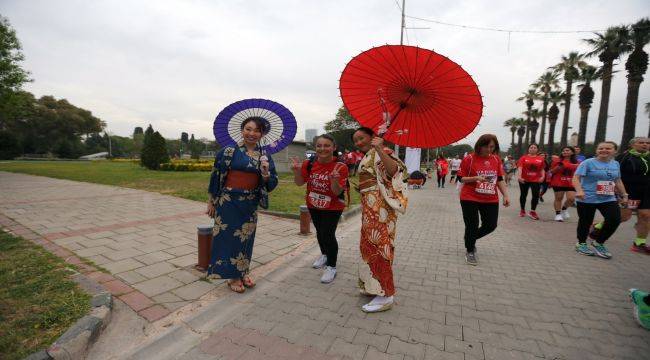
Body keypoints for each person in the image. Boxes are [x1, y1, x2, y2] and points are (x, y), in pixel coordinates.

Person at [206, 117, 278, 292]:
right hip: (227, 201)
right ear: (242, 130)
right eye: (248, 129)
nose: (252, 134)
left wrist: (266, 173)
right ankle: (232, 277)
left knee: (246, 238)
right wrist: (211, 201)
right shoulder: (228, 151)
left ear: (262, 134)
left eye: (257, 130)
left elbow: (272, 183)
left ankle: (243, 271)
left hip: (249, 203)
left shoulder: (265, 156)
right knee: (227, 239)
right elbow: (216, 176)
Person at [352, 127, 408, 313]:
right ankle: (372, 286)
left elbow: (394, 172)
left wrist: (380, 149)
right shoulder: (367, 155)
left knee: (381, 246)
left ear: (372, 137)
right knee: (369, 247)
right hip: (369, 209)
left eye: (362, 138)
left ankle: (386, 295)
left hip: (381, 209)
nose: (358, 142)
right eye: (356, 140)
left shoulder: (383, 152)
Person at [291, 134, 349, 283]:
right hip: (313, 204)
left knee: (328, 234)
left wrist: (334, 180)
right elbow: (299, 183)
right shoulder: (309, 163)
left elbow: (337, 192)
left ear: (334, 148)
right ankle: (324, 255)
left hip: (333, 206)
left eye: (327, 145)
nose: (322, 149)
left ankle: (331, 266)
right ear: (315, 147)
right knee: (320, 232)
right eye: (319, 145)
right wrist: (296, 171)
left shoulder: (340, 167)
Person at [457, 134, 510, 265]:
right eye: (486, 146)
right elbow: (461, 178)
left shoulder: (496, 160)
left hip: (490, 198)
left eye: (492, 146)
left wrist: (506, 195)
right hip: (470, 197)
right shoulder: (469, 159)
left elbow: (499, 179)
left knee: (491, 225)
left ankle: (469, 238)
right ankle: (470, 250)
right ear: (479, 146)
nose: (488, 149)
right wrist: (475, 178)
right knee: (472, 225)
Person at [592, 137, 650, 254]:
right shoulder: (624, 157)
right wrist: (617, 191)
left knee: (646, 216)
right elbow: (614, 175)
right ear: (633, 145)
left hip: (646, 192)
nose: (645, 145)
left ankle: (639, 243)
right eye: (641, 142)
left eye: (647, 143)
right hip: (629, 192)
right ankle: (597, 226)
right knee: (624, 217)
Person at [572, 141, 627, 259]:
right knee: (585, 222)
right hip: (587, 198)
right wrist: (579, 190)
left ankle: (599, 242)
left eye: (608, 148)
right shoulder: (588, 163)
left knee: (614, 219)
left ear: (615, 151)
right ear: (596, 150)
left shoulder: (615, 164)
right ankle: (581, 243)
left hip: (608, 197)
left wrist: (624, 194)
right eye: (601, 148)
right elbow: (576, 178)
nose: (604, 150)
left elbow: (617, 180)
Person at [517, 144, 545, 220]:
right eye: (531, 147)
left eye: (534, 148)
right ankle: (522, 210)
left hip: (536, 180)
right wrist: (519, 177)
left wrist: (543, 176)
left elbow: (542, 169)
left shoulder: (540, 159)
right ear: (528, 149)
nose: (533, 149)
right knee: (523, 194)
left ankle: (532, 211)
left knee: (536, 195)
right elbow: (520, 167)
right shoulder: (524, 158)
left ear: (537, 150)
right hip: (524, 179)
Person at [550, 147, 579, 222]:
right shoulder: (557, 160)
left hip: (571, 183)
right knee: (559, 198)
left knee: (571, 199)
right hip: (558, 182)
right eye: (563, 150)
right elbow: (551, 171)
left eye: (567, 150)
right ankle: (558, 214)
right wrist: (559, 167)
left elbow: (579, 173)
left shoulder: (577, 162)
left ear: (572, 152)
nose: (565, 152)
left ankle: (564, 209)